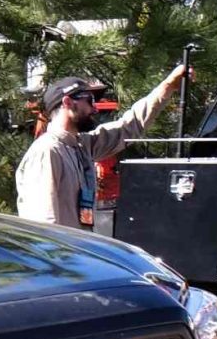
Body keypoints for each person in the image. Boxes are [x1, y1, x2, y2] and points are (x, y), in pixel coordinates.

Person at [16, 64, 189, 227]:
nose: (95, 109)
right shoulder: (47, 152)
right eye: (90, 101)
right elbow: (42, 228)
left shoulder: (82, 146)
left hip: (80, 253)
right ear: (67, 102)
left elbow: (129, 126)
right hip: (61, 257)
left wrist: (168, 87)